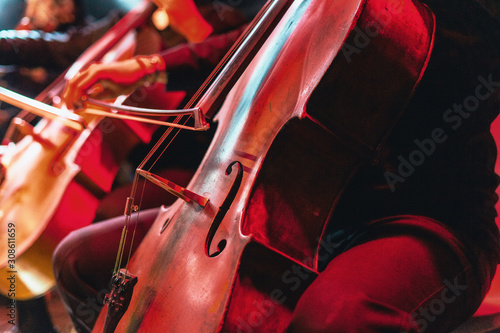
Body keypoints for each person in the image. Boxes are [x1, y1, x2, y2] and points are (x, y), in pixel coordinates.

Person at [53, 0, 500, 332]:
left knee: (335, 319)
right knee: (79, 260)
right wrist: (150, 67)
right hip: (285, 202)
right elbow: (254, 40)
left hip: (419, 217)